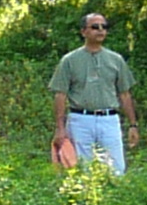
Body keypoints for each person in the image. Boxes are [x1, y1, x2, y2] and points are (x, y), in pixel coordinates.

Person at [49, 11, 139, 174]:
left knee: (116, 168)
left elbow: (125, 94)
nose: (100, 30)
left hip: (109, 119)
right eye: (95, 27)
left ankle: (113, 198)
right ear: (84, 31)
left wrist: (133, 125)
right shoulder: (69, 60)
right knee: (83, 169)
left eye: (104, 27)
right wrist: (60, 128)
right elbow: (60, 95)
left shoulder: (115, 60)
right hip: (80, 120)